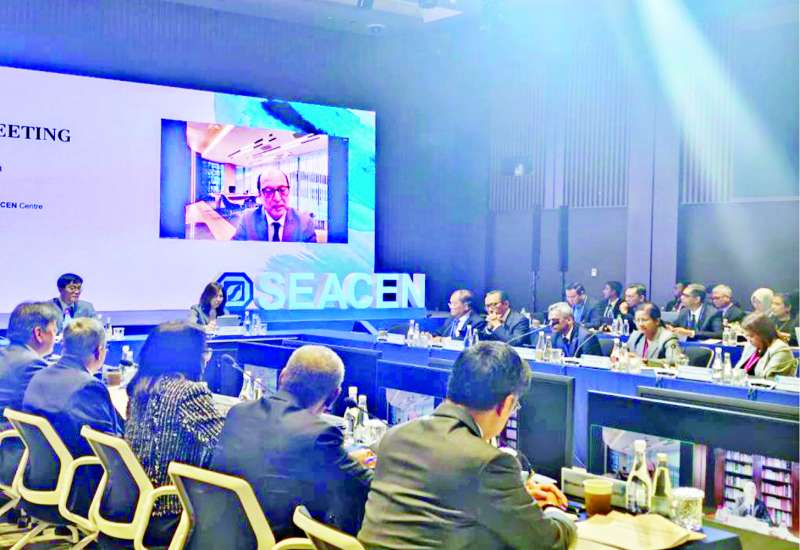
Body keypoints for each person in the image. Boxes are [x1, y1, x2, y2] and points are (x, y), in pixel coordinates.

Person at [358, 342, 576, 550]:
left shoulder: (394, 436)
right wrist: (552, 508)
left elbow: (436, 499)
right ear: (507, 403)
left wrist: (517, 499)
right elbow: (551, 543)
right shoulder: (489, 462)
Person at [212, 345, 373, 541]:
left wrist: (345, 459)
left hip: (217, 538)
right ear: (334, 396)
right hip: (279, 543)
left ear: (283, 376)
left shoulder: (239, 412)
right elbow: (368, 485)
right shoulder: (319, 434)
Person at [120, 322, 224, 547]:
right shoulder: (188, 392)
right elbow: (225, 443)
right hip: (170, 512)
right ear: (188, 355)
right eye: (204, 351)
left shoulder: (141, 387)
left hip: (136, 505)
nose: (206, 358)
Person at [22, 318, 124, 516]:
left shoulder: (39, 377)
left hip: (38, 480)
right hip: (76, 491)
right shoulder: (88, 386)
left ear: (64, 346)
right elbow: (110, 448)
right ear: (99, 351)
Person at [0, 302, 60, 487]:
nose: (56, 337)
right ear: (39, 333)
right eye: (54, 331)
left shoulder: (4, 354)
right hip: (11, 450)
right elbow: (54, 409)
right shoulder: (32, 365)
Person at [233, 167, 316, 242]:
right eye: (268, 191)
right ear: (259, 195)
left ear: (289, 191)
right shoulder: (247, 220)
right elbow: (235, 251)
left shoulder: (305, 222)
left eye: (282, 190)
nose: (277, 198)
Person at [735, 313, 798, 378]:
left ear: (763, 334)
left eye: (751, 336)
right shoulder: (751, 346)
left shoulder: (781, 350)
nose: (748, 339)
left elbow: (768, 378)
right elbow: (738, 370)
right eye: (747, 336)